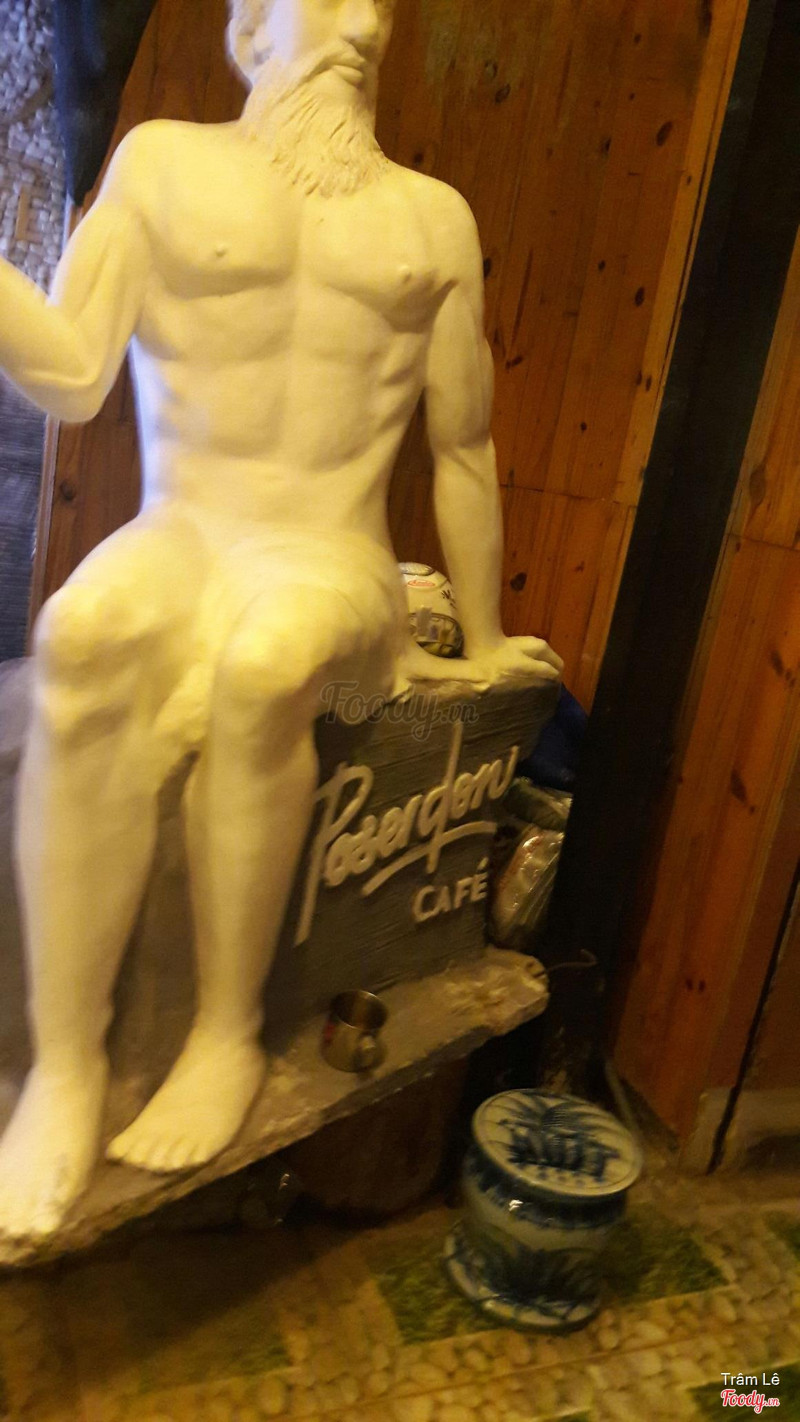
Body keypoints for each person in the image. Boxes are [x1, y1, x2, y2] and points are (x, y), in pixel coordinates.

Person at [0, 0, 562, 1240]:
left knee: (264, 664)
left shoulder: (432, 218)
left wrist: (478, 640)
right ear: (249, 33)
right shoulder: (160, 164)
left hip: (332, 553)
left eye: (377, 8)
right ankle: (65, 1068)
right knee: (79, 639)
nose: (363, 26)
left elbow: (461, 447)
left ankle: (225, 1035)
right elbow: (74, 374)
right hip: (183, 529)